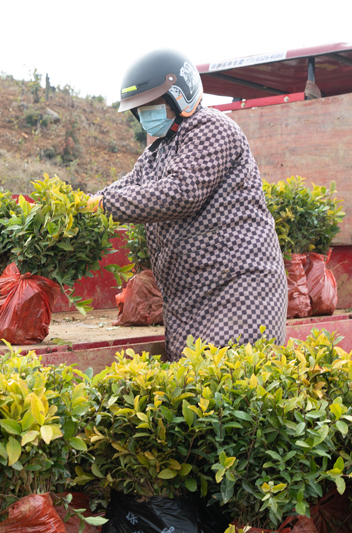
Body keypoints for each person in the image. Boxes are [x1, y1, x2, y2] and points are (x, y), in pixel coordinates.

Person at [88, 50, 287, 361]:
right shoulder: (160, 148)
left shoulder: (212, 127)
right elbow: (130, 184)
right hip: (190, 296)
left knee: (230, 386)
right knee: (191, 392)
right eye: (140, 110)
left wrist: (105, 205)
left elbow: (182, 193)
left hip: (238, 287)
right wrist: (86, 204)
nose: (145, 116)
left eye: (152, 106)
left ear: (178, 96)